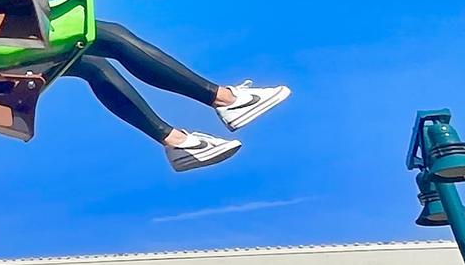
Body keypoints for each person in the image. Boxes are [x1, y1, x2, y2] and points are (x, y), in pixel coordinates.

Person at [58, 21, 292, 171]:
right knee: (111, 37)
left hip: (33, 46)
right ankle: (227, 100)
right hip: (32, 36)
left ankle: (178, 141)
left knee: (94, 64)